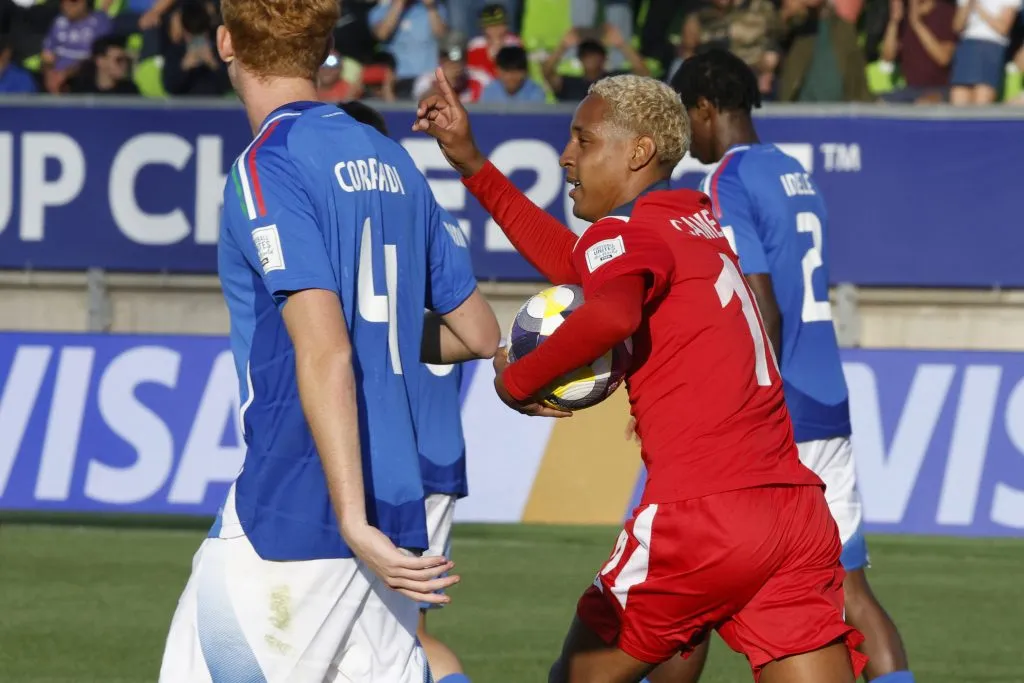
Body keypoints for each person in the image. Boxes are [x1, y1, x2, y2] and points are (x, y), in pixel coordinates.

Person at [415, 69, 867, 683]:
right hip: (791, 511)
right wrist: (471, 162)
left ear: (638, 151)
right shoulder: (693, 221)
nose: (565, 155)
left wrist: (515, 382)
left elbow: (610, 309)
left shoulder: (629, 232)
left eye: (584, 140)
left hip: (702, 515)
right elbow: (578, 266)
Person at [158, 0, 500, 680]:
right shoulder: (390, 157)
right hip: (398, 502)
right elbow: (479, 332)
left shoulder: (267, 164)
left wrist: (349, 518)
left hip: (298, 506)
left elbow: (325, 348)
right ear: (320, 53)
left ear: (227, 43)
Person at [653, 48, 914, 683]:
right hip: (828, 397)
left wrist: (728, 407)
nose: (686, 141)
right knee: (849, 591)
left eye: (687, 121)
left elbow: (759, 306)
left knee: (686, 593)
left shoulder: (726, 182)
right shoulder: (794, 171)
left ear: (706, 110)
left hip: (778, 415)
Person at [338, 98, 474, 683]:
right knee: (403, 634)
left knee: (352, 632)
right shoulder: (438, 216)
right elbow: (473, 333)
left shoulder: (351, 218)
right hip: (439, 456)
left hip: (383, 451)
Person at [68, 35, 140, 95]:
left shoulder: (130, 92)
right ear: (100, 61)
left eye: (126, 60)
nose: (124, 65)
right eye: (119, 60)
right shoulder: (81, 91)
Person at [479, 45, 547, 103]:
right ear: (498, 71)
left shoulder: (535, 92)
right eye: (507, 71)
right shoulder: (490, 91)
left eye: (516, 71)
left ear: (525, 72)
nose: (511, 77)